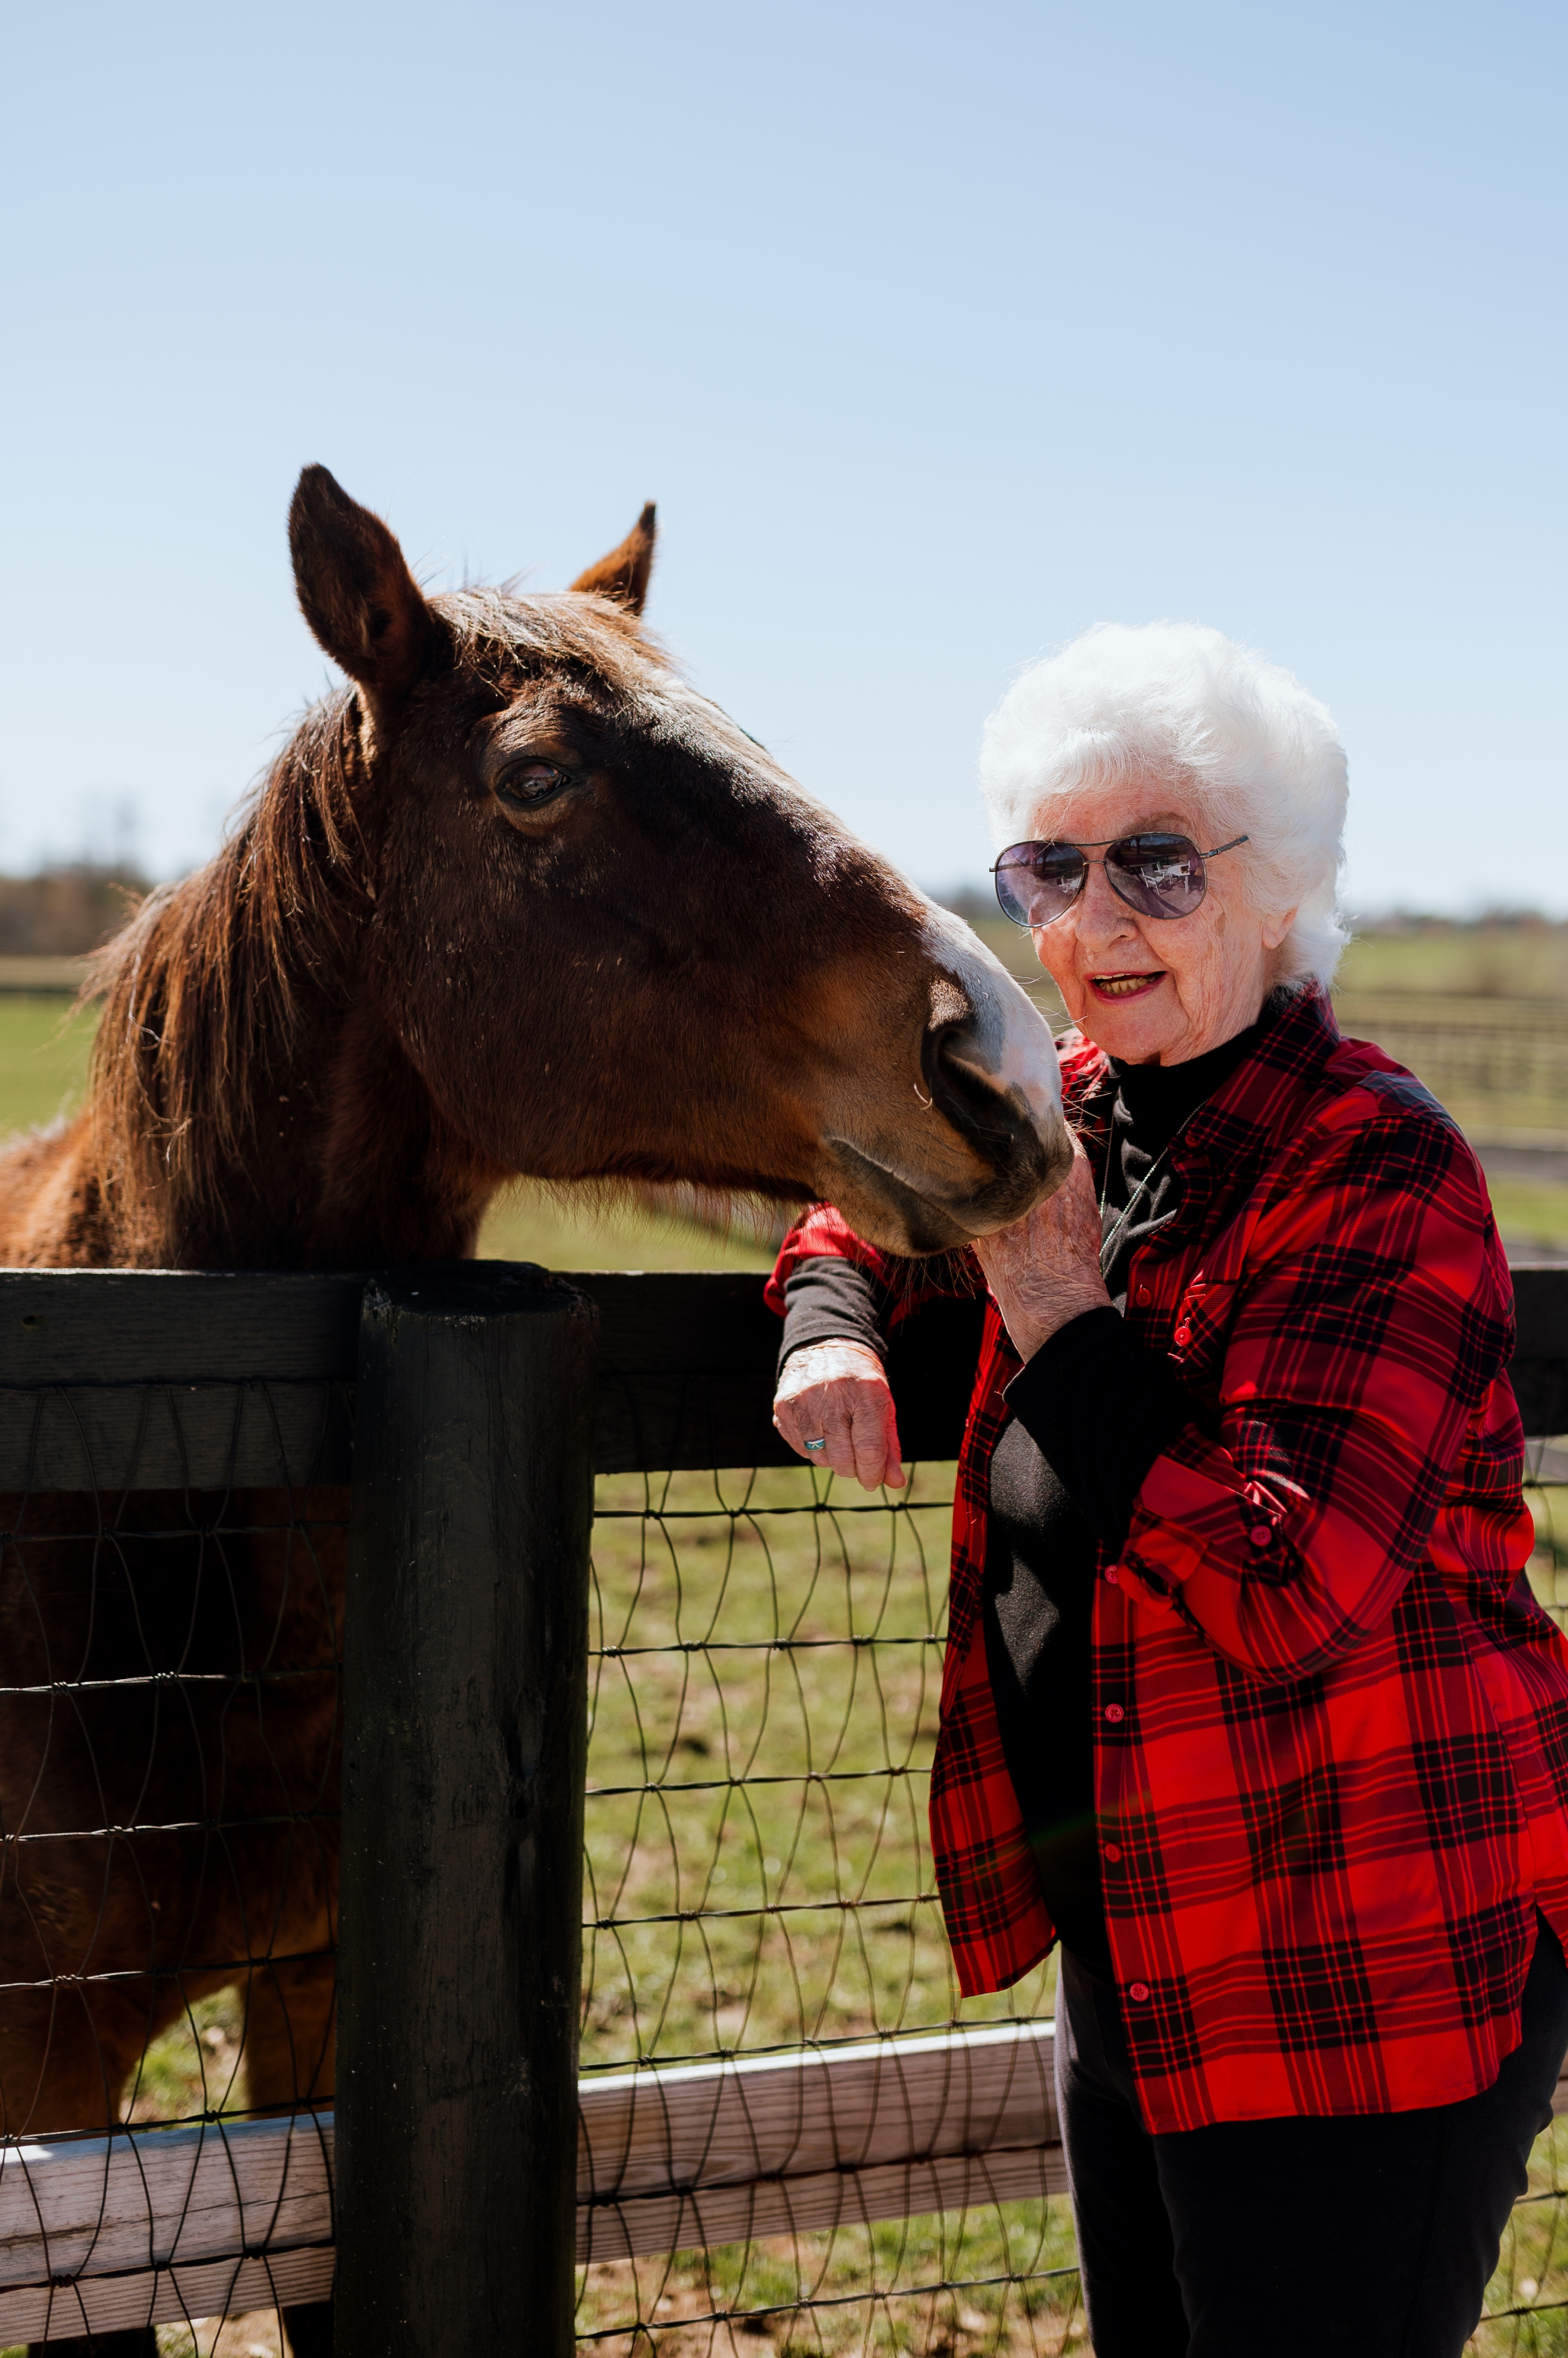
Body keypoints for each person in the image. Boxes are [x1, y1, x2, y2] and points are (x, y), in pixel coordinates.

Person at [767, 622, 1568, 2358]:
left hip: (1355, 1939)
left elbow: (1289, 1580)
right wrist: (827, 1320)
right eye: (1047, 865)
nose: (1092, 916)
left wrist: (1049, 1307)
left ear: (1272, 894)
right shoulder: (1066, 1110)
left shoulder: (1372, 1161)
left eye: (1153, 862)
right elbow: (861, 1204)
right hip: (1137, 1919)